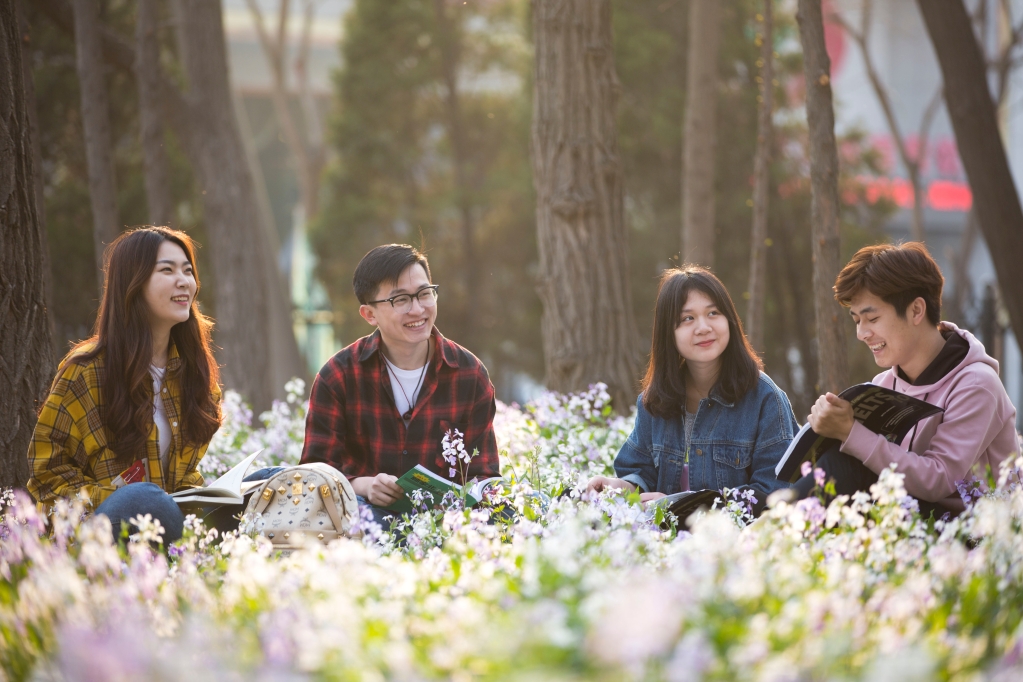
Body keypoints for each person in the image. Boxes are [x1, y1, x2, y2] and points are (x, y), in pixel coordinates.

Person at [792, 242, 1018, 517]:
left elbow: (939, 479)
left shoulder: (976, 384)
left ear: (915, 311)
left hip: (972, 534)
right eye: (856, 321)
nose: (862, 333)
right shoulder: (883, 384)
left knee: (846, 468)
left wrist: (851, 433)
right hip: (908, 520)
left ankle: (761, 536)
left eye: (872, 318)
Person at [27, 227, 222, 543]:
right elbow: (47, 479)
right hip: (97, 540)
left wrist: (197, 498)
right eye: (167, 270)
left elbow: (182, 476)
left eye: (188, 271)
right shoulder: (86, 371)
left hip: (168, 533)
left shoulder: (192, 374)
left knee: (264, 486)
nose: (185, 281)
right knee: (143, 500)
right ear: (134, 283)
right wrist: (120, 497)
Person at [300, 244, 500, 526]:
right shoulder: (338, 376)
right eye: (400, 300)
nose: (417, 309)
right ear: (369, 314)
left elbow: (484, 473)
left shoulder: (469, 374)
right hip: (361, 530)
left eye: (424, 294)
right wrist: (365, 486)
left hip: (446, 533)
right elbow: (313, 476)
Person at [586, 266, 798, 513]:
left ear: (729, 320)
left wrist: (681, 505)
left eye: (713, 313)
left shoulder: (765, 398)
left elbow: (774, 494)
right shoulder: (654, 401)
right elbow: (639, 472)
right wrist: (623, 487)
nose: (703, 327)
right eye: (688, 318)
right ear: (669, 332)